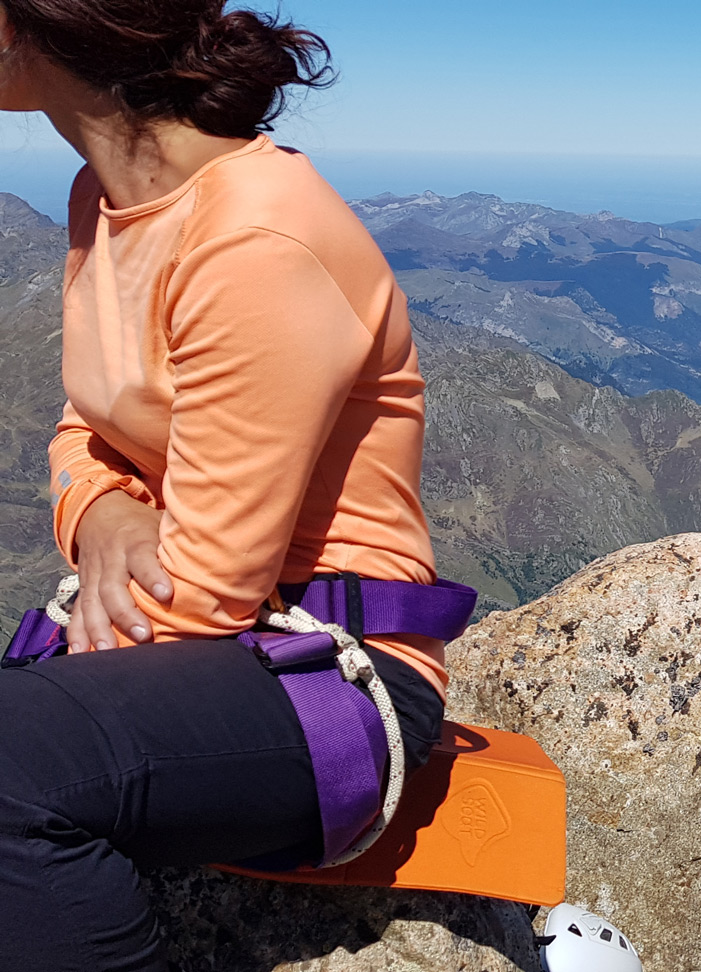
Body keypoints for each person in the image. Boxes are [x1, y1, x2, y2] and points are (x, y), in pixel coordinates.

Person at [0, 2, 447, 968]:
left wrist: (68, 673)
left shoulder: (256, 237)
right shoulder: (103, 198)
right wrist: (103, 512)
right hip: (217, 647)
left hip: (332, 672)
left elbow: (204, 592)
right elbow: (83, 430)